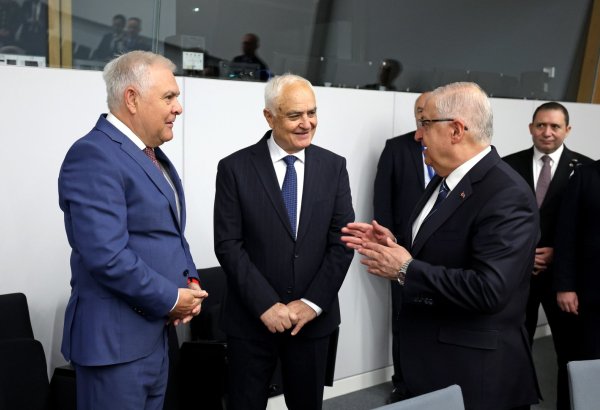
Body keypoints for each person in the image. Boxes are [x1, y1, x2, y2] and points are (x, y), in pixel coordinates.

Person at [342, 82, 540, 410]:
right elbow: (442, 249)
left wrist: (405, 268)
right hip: (430, 362)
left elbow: (489, 290)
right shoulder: (443, 179)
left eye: (425, 124)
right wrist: (394, 246)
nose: (418, 135)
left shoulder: (507, 195)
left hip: (474, 376)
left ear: (456, 130)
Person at [58, 50, 206, 410]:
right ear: (132, 99)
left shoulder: (149, 154)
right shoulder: (93, 155)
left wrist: (189, 281)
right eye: (169, 97)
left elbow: (168, 233)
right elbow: (107, 256)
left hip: (153, 339)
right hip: (114, 347)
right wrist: (171, 299)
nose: (178, 108)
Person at [214, 73, 355, 410]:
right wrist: (266, 304)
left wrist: (312, 303)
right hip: (251, 321)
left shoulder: (334, 167)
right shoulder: (235, 168)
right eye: (295, 115)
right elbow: (229, 245)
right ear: (269, 116)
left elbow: (342, 243)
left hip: (313, 322)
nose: (307, 123)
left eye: (312, 112)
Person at [503, 102, 592, 410]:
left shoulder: (584, 169)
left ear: (567, 130)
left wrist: (558, 253)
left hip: (563, 281)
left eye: (555, 126)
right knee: (514, 351)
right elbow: (498, 220)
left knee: (570, 354)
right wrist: (523, 254)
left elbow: (586, 227)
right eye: (541, 125)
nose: (547, 132)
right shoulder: (507, 165)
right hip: (517, 276)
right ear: (531, 128)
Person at [373, 91, 433, 403]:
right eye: (419, 110)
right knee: (403, 319)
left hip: (440, 255)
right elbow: (383, 202)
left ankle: (435, 384)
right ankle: (403, 384)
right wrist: (388, 246)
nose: (423, 115)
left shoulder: (454, 151)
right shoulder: (396, 148)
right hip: (401, 253)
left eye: (428, 110)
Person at [554, 160, 600, 362]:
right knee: (592, 359)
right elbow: (566, 234)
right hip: (593, 293)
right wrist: (565, 286)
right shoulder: (585, 175)